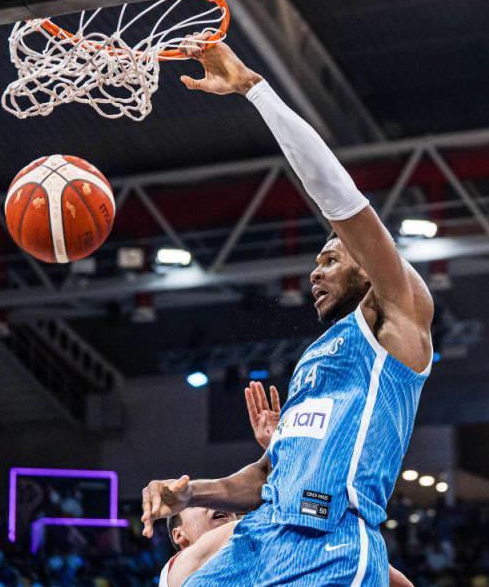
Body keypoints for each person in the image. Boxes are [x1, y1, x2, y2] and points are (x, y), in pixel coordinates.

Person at [142, 42, 434, 583]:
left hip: (330, 544)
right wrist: (189, 494)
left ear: (368, 264)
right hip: (261, 537)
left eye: (329, 259)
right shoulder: (315, 360)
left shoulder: (398, 316)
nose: (314, 274)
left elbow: (338, 196)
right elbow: (264, 479)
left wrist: (255, 91)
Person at [160, 382, 414, 587]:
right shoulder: (178, 570)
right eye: (199, 502)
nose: (217, 504)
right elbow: (292, 512)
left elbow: (385, 572)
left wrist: (280, 455)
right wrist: (283, 456)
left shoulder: (265, 551)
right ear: (179, 535)